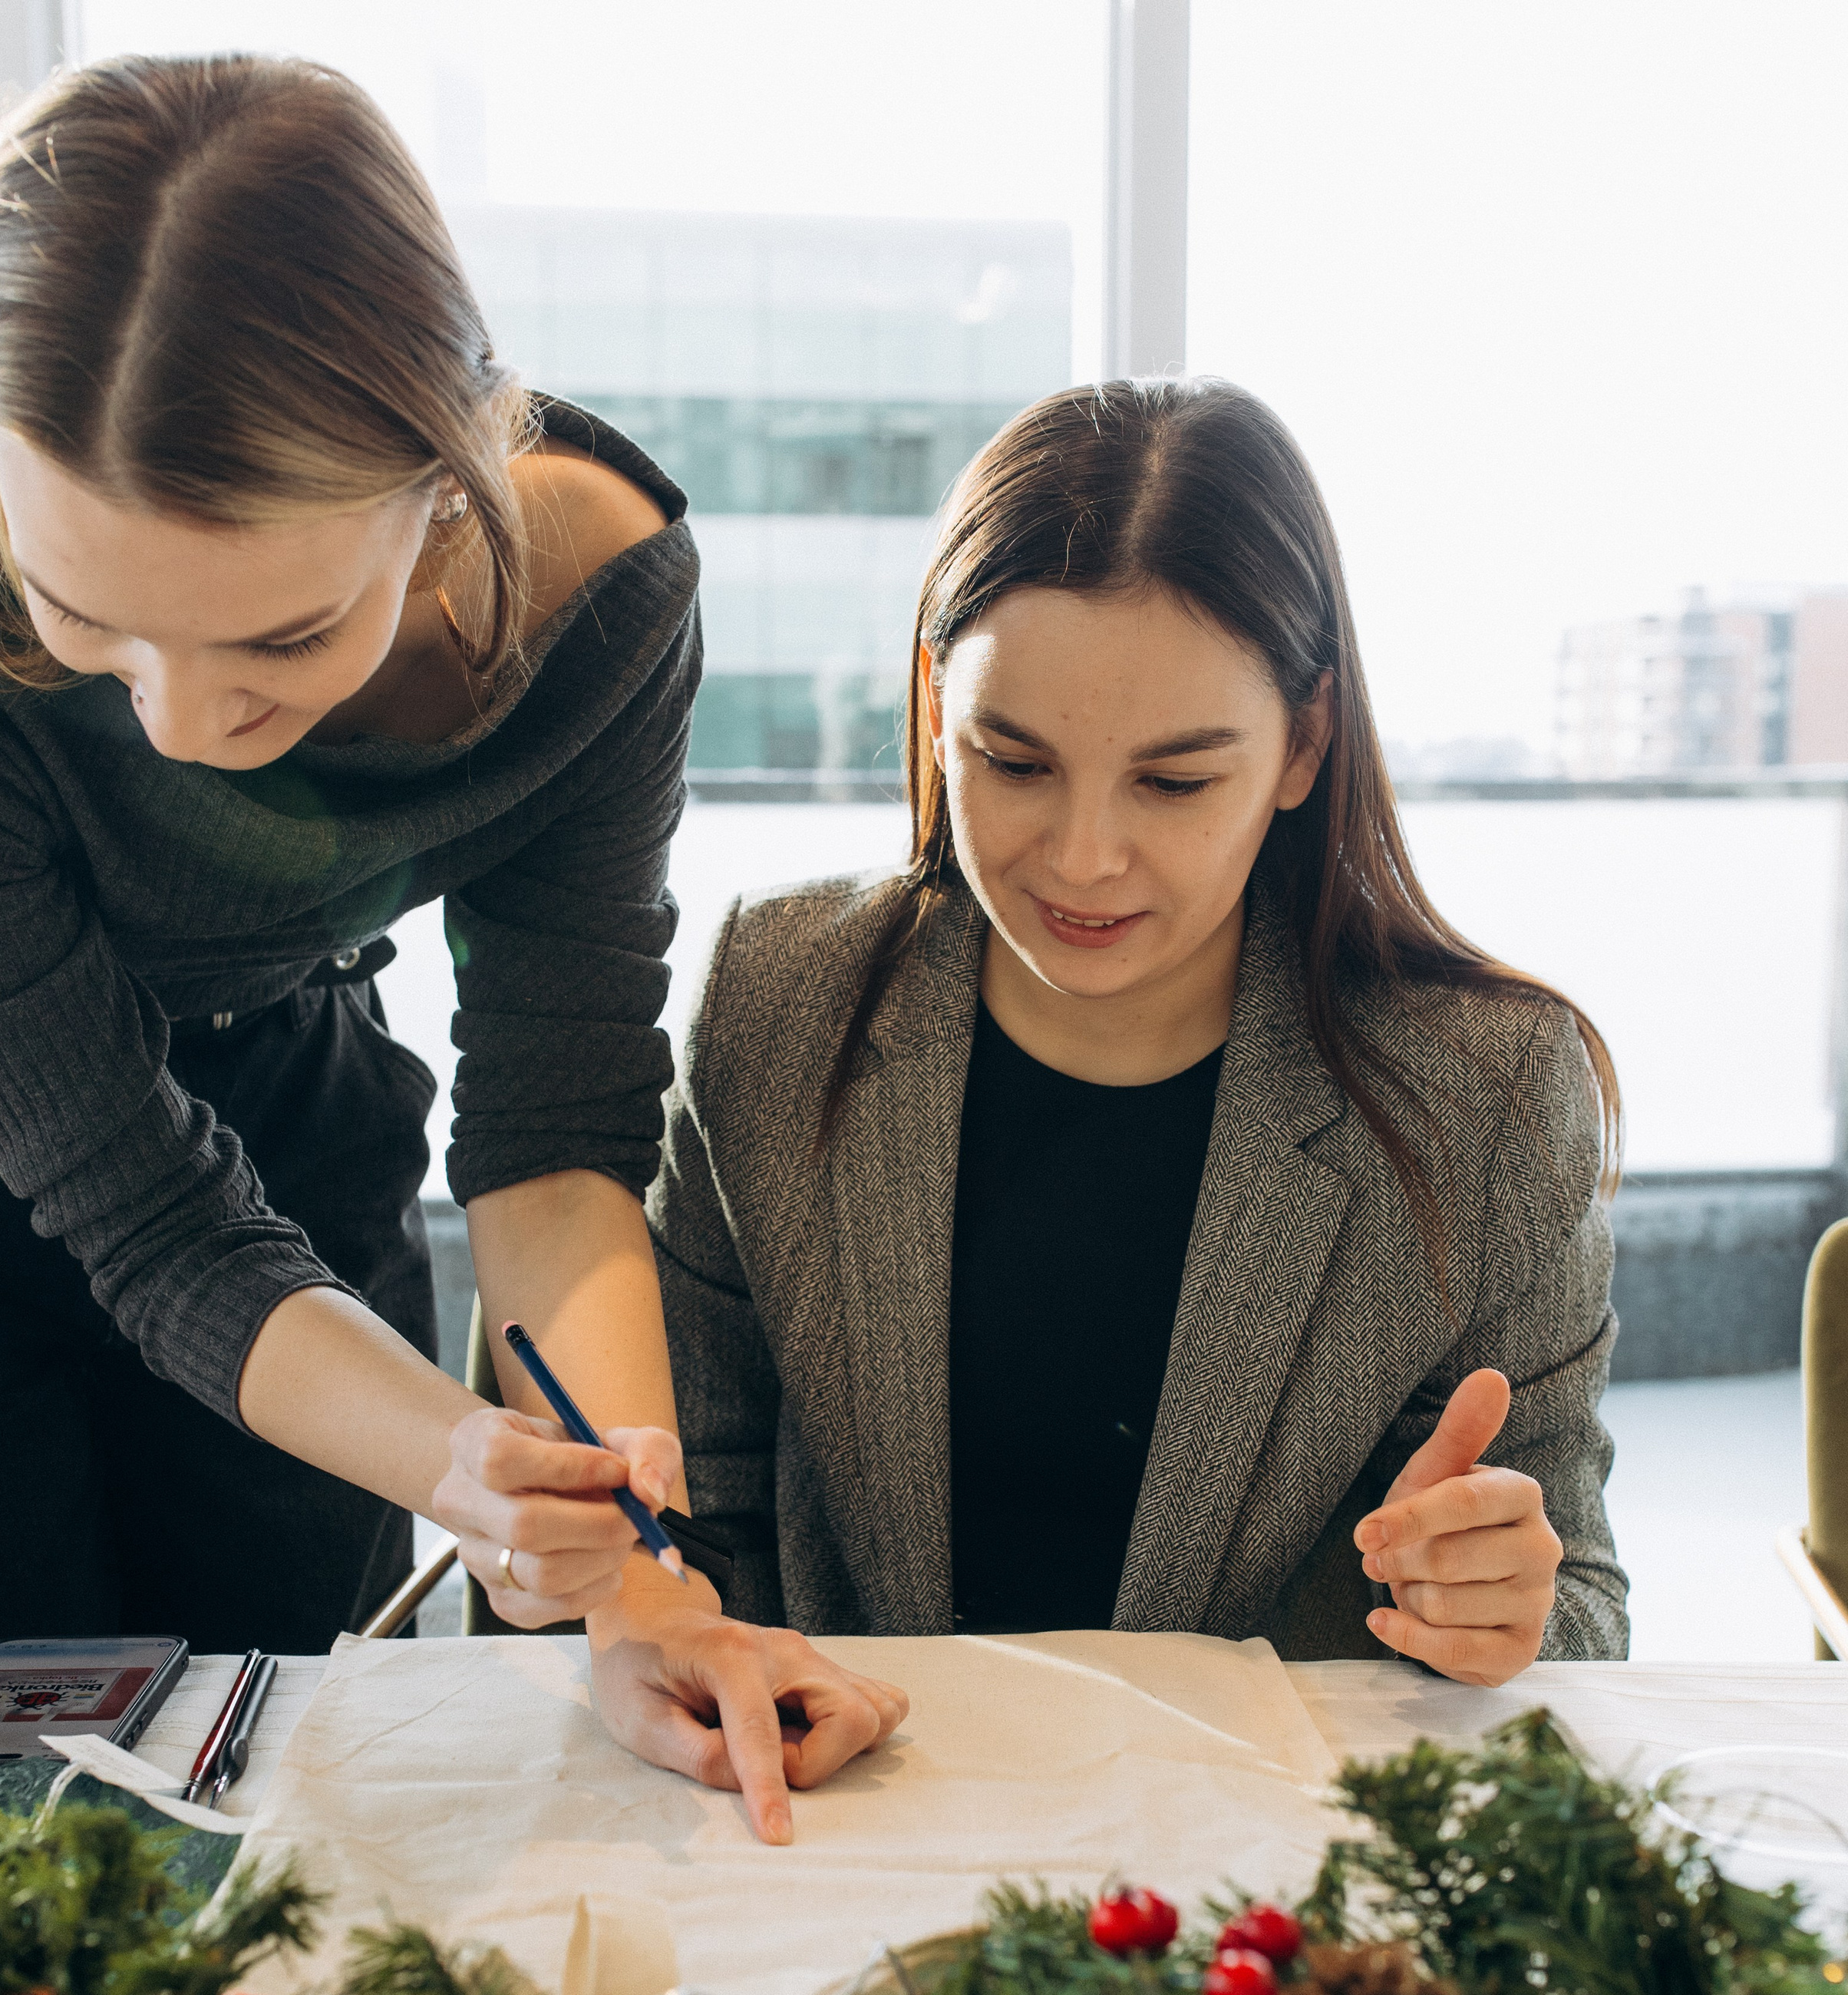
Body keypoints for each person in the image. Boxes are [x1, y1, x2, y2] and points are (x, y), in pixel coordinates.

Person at [0, 53, 907, 1802]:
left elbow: (552, 1133)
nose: (180, 721)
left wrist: (638, 1577)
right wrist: (458, 1458)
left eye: (278, 642)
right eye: (83, 622)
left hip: (285, 1111)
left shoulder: (601, 609)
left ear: (448, 489)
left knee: (294, 1774)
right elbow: (133, 1209)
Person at [649, 379, 1629, 1756]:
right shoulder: (778, 999)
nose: (1084, 858)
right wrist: (701, 1647)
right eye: (1013, 759)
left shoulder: (1492, 1097)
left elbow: (1577, 1600)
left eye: (1174, 783)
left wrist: (1508, 1606)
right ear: (937, 708)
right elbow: (693, 1511)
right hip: (844, 1820)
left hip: (1267, 1879)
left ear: (1304, 745)